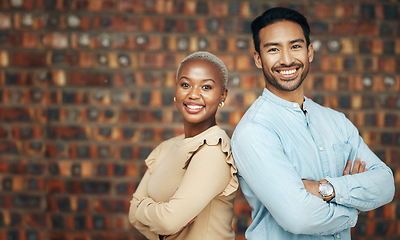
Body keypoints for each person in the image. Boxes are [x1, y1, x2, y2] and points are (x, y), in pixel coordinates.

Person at [231, 7, 395, 240]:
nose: (287, 59)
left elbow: (386, 184)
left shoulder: (336, 121)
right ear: (258, 58)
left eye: (295, 46)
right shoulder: (255, 131)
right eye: (273, 49)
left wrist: (324, 189)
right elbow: (299, 217)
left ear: (310, 52)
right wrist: (353, 204)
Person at [129, 51, 238, 240]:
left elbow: (168, 222)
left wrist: (147, 210)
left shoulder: (214, 148)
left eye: (206, 87)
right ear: (176, 91)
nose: (193, 94)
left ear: (222, 96)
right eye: (185, 85)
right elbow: (133, 214)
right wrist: (163, 219)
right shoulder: (167, 147)